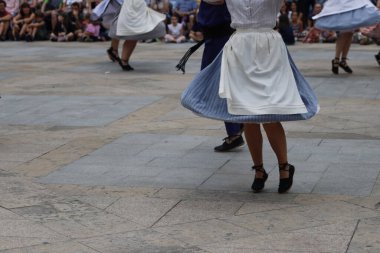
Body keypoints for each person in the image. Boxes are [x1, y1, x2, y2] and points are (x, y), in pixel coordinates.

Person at [181, 0, 319, 193]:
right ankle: (259, 169)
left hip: (268, 47)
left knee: (270, 113)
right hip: (239, 48)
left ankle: (284, 165)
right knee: (247, 115)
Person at [196, 0, 244, 152]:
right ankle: (236, 126)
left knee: (218, 83)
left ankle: (235, 130)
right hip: (216, 37)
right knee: (216, 83)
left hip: (221, 37)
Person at [313, 0, 380, 74]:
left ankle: (342, 60)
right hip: (341, 5)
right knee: (344, 32)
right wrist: (319, 2)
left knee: (349, 32)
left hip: (352, 4)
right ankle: (337, 59)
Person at [108, 0, 166, 70]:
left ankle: (122, 58)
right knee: (130, 33)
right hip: (130, 8)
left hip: (137, 8)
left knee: (133, 34)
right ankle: (118, 54)